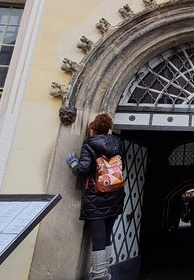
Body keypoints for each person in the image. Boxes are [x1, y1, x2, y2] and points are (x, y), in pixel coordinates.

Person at [65, 113, 125, 280]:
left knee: (98, 237)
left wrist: (72, 163)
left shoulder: (89, 145)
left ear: (92, 130)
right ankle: (105, 272)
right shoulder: (118, 144)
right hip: (115, 193)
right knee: (107, 235)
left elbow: (83, 169)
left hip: (96, 194)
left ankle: (99, 275)